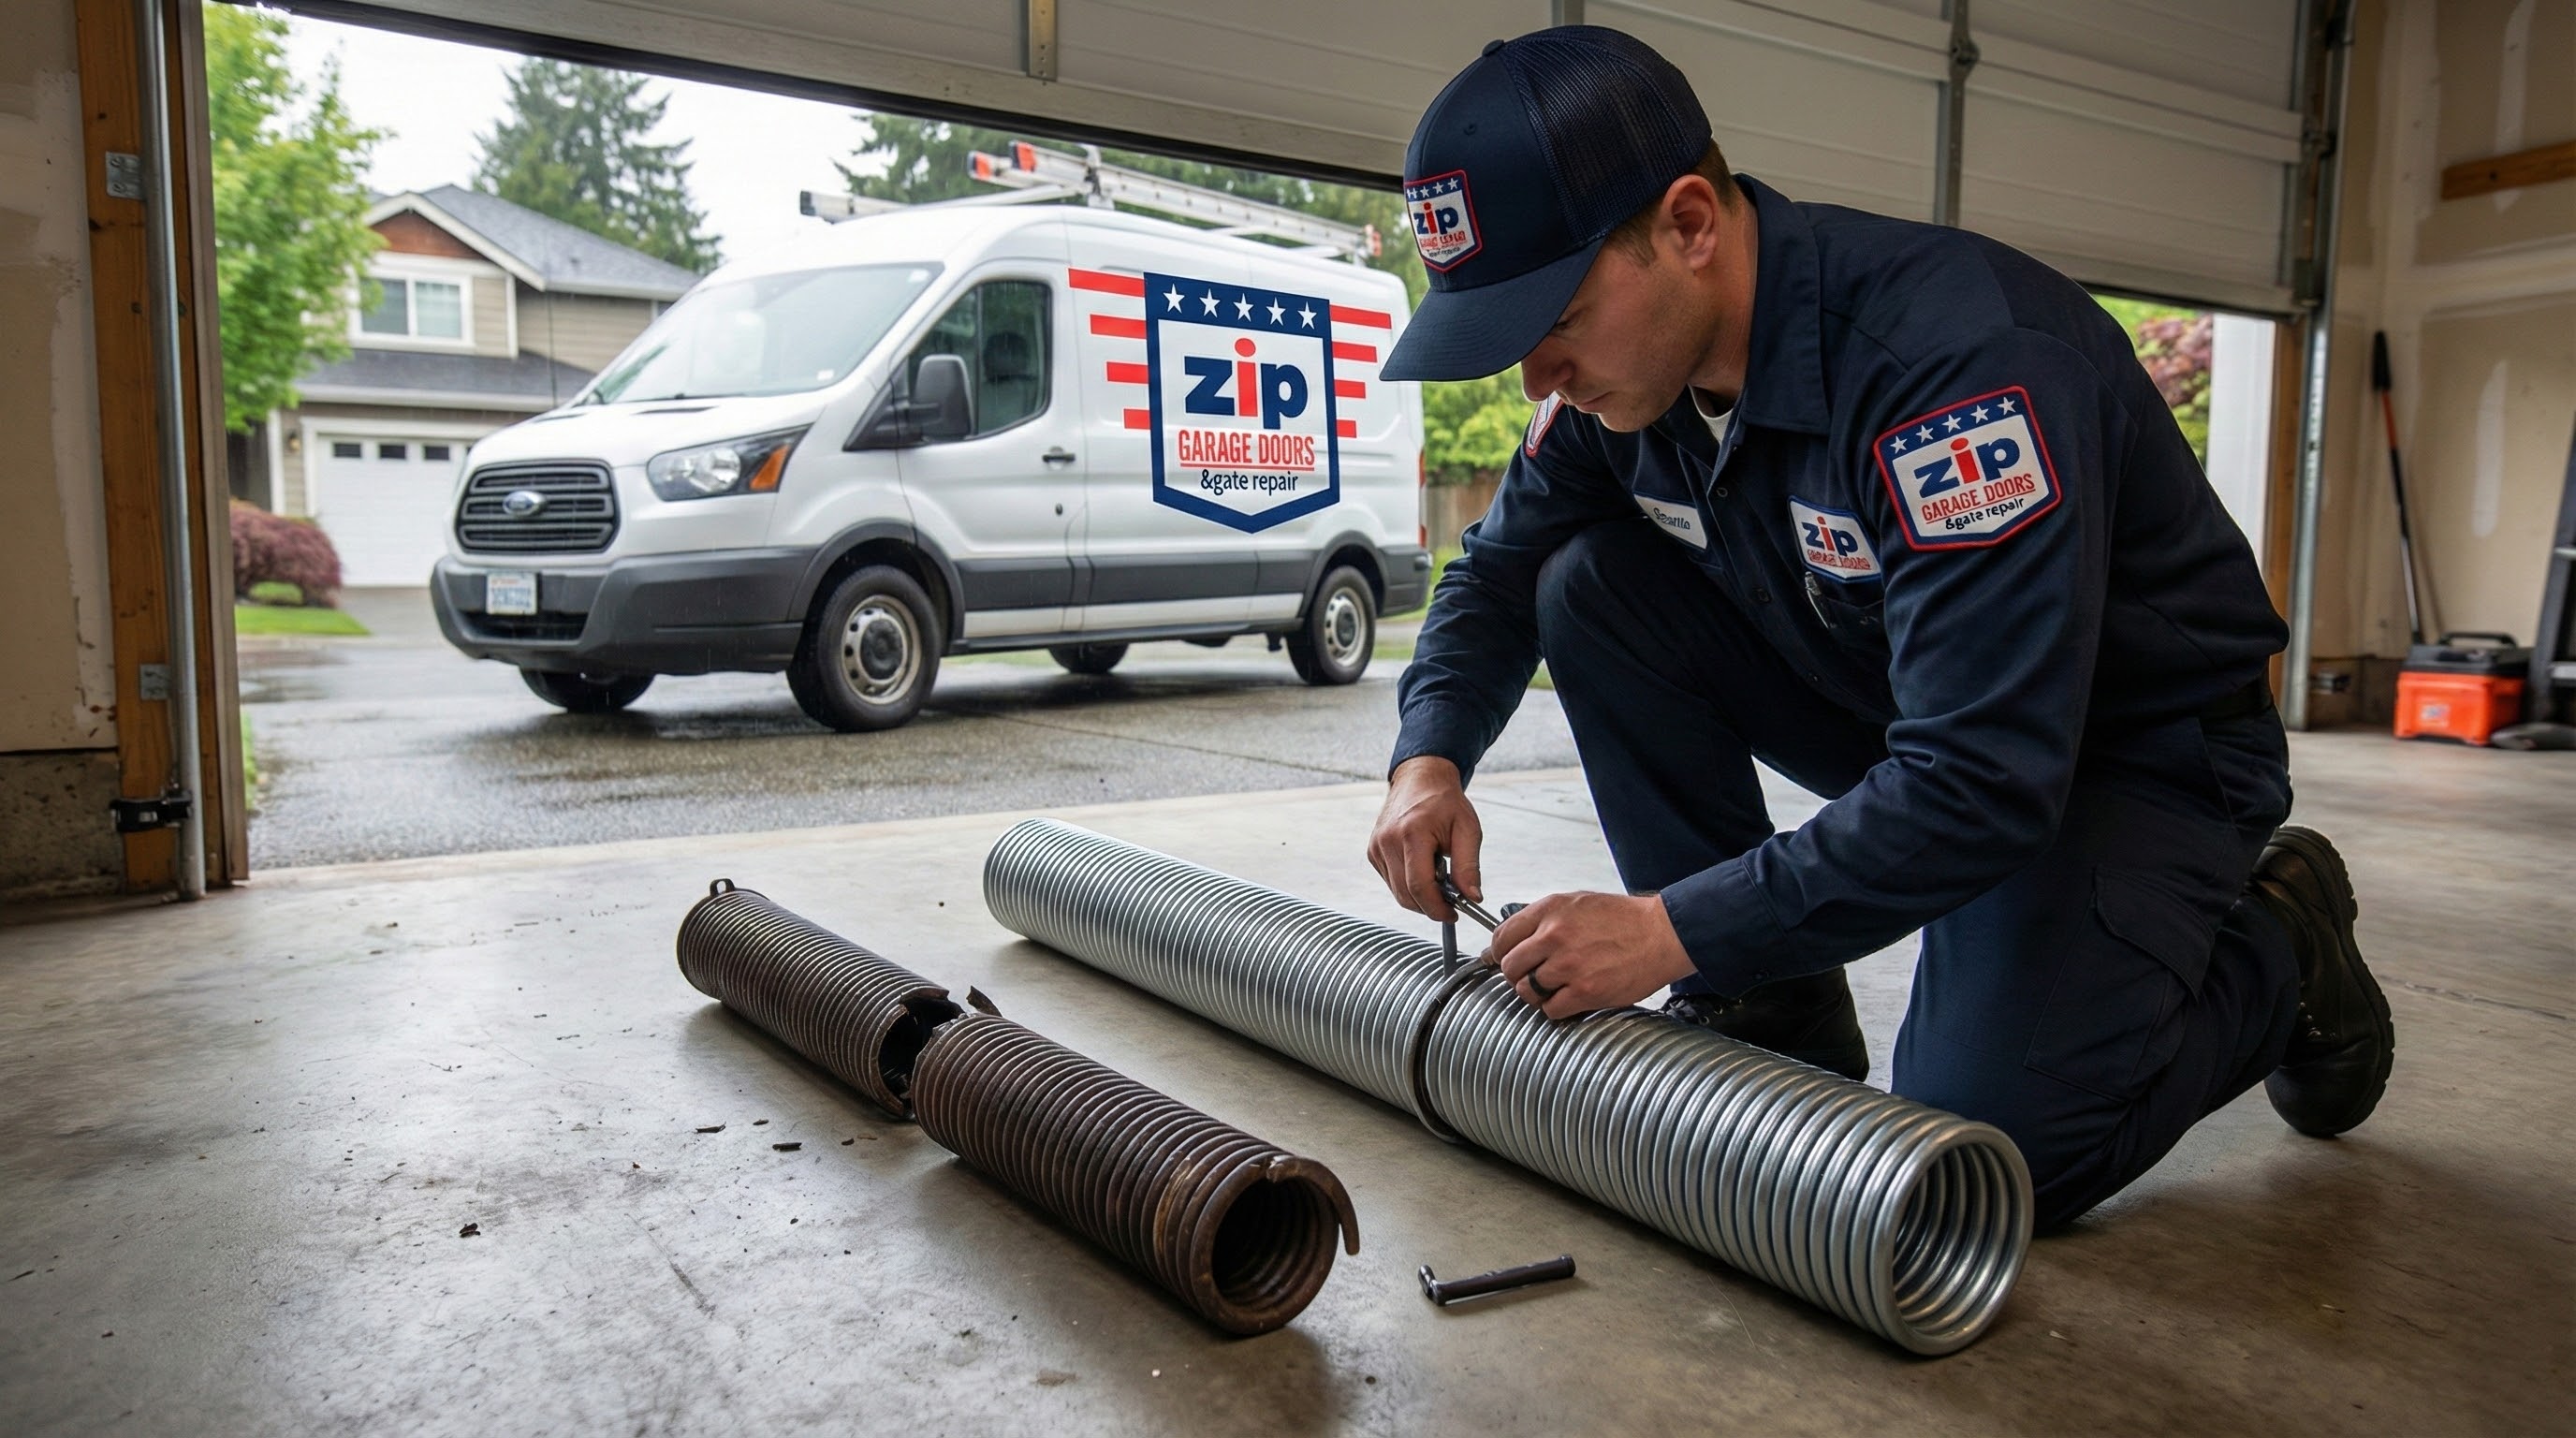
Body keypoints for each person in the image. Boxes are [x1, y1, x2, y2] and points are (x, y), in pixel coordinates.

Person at [1366, 27, 2394, 1228]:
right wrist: (1424, 761)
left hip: (2127, 758)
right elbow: (1494, 579)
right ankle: (1767, 1008)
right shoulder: (1622, 389)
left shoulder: (1954, 373)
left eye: (1555, 318)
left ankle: (2286, 936)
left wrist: (1663, 931)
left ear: (1690, 225)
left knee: (1984, 1149)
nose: (1538, 377)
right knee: (1587, 582)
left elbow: (1984, 779)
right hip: (1911, 711)